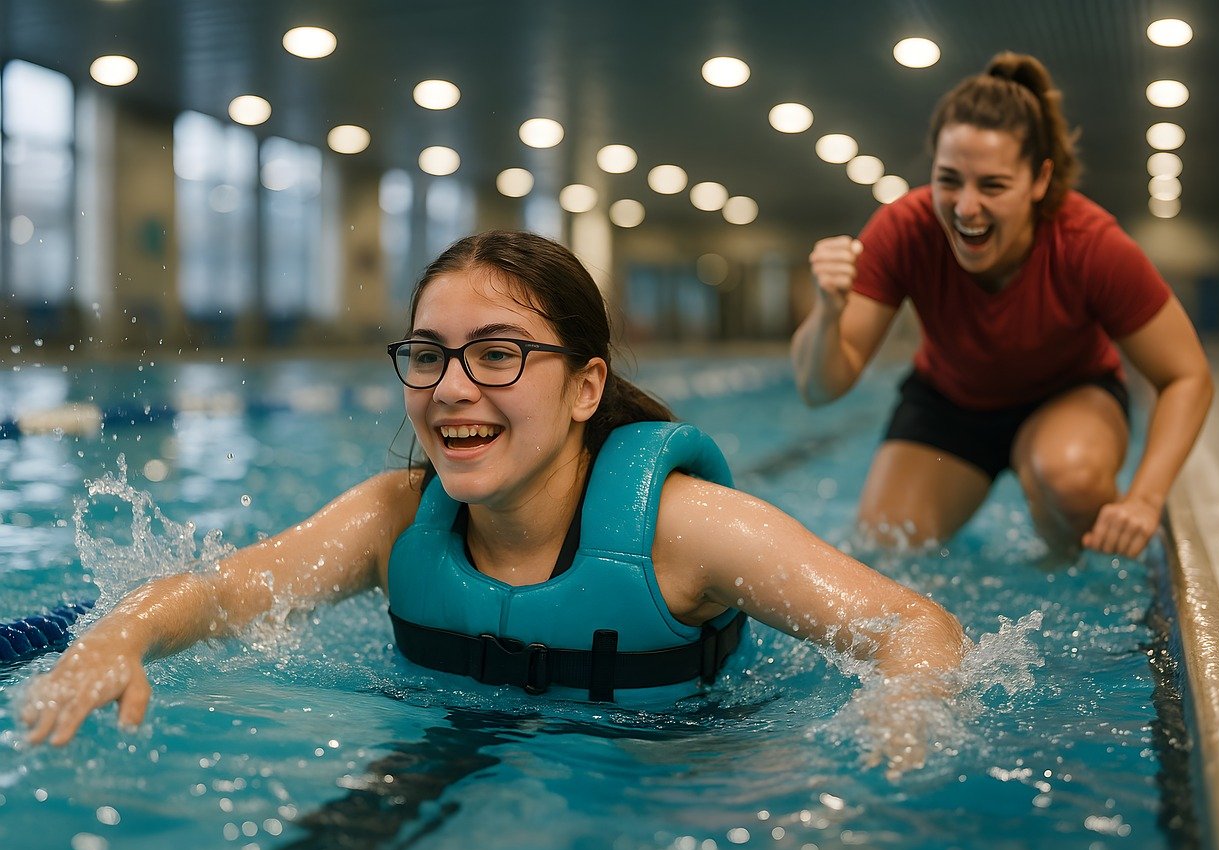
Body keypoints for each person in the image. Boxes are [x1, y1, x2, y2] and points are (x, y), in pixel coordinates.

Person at [23, 230, 964, 775]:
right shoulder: (395, 519)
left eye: (499, 352)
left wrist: (900, 719)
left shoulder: (685, 530)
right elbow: (228, 591)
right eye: (428, 353)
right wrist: (117, 637)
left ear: (586, 386)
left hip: (689, 774)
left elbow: (915, 627)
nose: (453, 388)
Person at [791, 52, 1213, 557]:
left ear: (1039, 180)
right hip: (949, 404)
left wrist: (1145, 499)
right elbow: (819, 390)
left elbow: (1188, 377)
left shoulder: (1089, 244)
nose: (967, 207)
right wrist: (828, 313)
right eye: (949, 180)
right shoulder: (905, 229)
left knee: (1071, 476)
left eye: (992, 185)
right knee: (885, 549)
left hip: (1068, 397)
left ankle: (1062, 561)